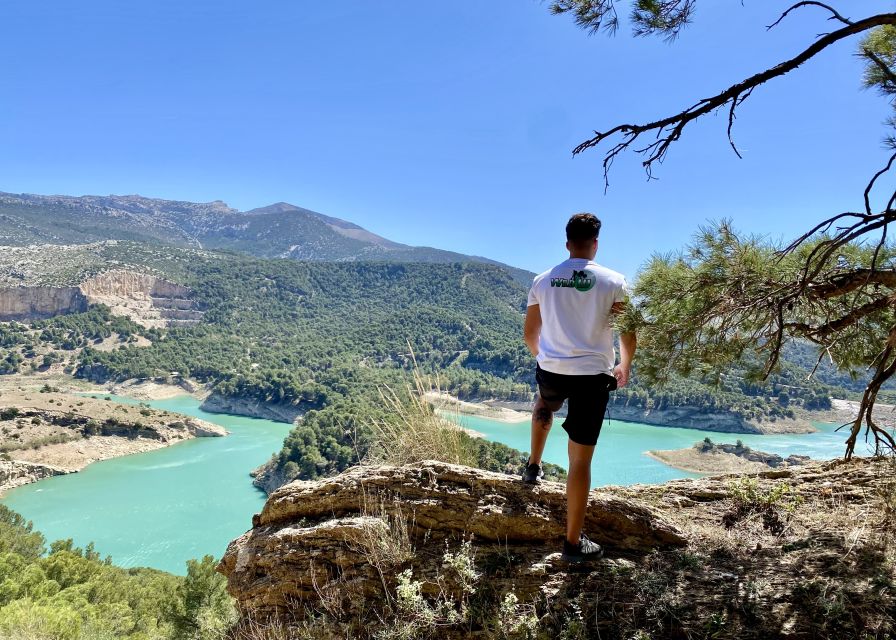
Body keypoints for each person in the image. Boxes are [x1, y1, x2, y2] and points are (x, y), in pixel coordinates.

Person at [521, 212, 636, 563]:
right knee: (579, 461)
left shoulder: (543, 281)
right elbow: (628, 333)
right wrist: (624, 364)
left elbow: (530, 335)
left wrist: (546, 359)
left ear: (567, 242)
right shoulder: (614, 282)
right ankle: (572, 544)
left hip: (552, 370)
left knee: (544, 404)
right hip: (592, 377)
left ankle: (533, 466)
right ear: (596, 244)